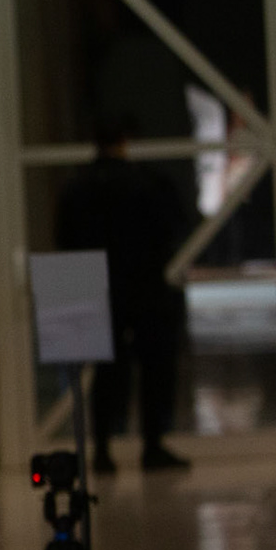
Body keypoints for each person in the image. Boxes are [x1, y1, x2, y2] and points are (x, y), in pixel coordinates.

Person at [57, 116, 192, 472]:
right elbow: (173, 229)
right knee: (154, 370)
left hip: (93, 289)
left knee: (104, 373)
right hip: (146, 288)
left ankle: (101, 450)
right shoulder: (148, 183)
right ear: (126, 142)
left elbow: (64, 241)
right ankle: (152, 445)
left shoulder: (76, 188)